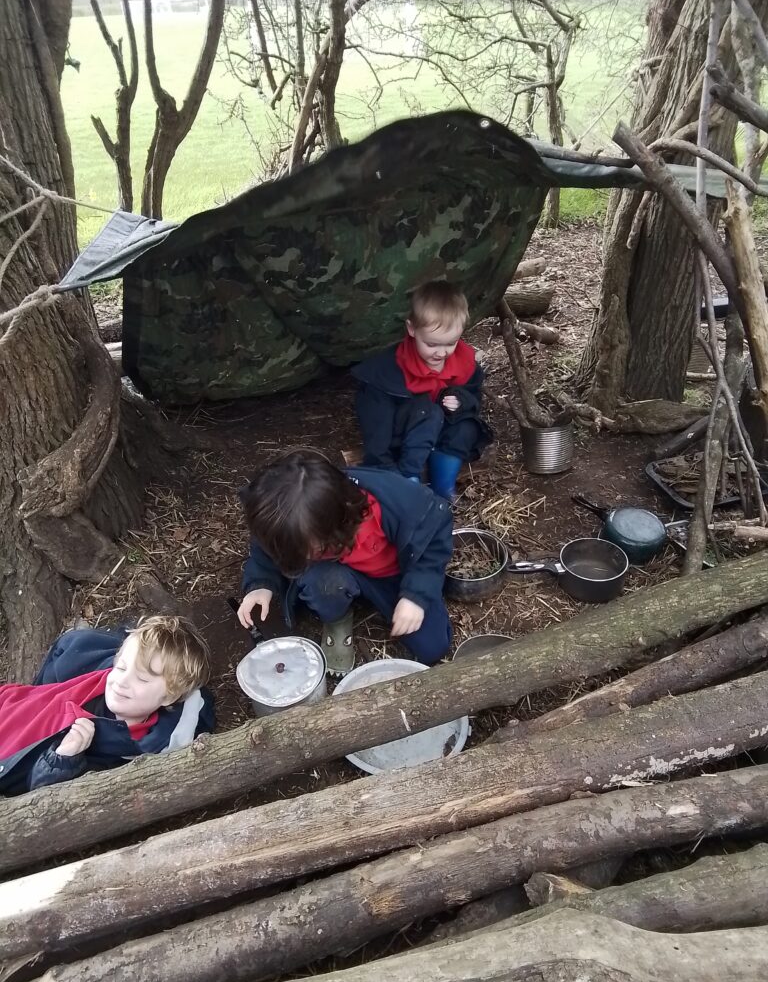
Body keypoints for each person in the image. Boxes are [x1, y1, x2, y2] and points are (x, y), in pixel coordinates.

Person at [237, 450, 453, 668]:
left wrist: (416, 595)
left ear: (340, 523)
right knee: (322, 583)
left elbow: (433, 544)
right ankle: (338, 618)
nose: (302, 556)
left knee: (433, 647)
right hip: (336, 572)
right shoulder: (287, 521)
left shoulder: (398, 502)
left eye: (312, 548)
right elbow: (266, 546)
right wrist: (261, 584)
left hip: (394, 575)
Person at [0, 616, 213, 796]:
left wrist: (63, 759)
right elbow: (68, 648)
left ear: (169, 697)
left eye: (143, 679)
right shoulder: (97, 675)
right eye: (121, 667)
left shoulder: (128, 750)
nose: (122, 681)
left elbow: (43, 799)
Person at [352, 281, 492, 500]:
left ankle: (443, 490)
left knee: (466, 428)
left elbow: (474, 395)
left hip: (438, 435)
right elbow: (376, 423)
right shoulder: (389, 371)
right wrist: (382, 464)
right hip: (404, 436)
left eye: (450, 343)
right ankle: (411, 482)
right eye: (432, 344)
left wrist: (461, 401)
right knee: (429, 412)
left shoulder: (463, 361)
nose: (441, 353)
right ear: (412, 329)